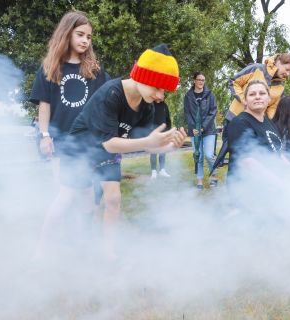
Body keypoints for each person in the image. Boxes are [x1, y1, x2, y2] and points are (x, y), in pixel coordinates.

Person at [36, 44, 186, 259]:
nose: (161, 96)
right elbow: (111, 143)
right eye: (159, 88)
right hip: (80, 149)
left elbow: (145, 142)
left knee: (113, 199)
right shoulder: (112, 92)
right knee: (68, 197)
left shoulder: (147, 105)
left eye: (164, 91)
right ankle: (41, 250)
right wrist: (147, 142)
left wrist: (170, 146)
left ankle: (108, 253)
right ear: (144, 77)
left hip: (106, 150)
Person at [29, 11, 110, 174]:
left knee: (88, 194)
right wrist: (44, 136)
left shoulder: (95, 71)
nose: (85, 40)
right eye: (80, 34)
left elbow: (111, 97)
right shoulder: (49, 68)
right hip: (60, 142)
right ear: (67, 33)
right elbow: (44, 106)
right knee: (62, 192)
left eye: (89, 37)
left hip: (88, 143)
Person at [226, 80, 283, 181]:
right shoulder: (239, 123)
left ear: (269, 98)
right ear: (245, 100)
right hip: (248, 190)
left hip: (272, 185)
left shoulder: (269, 122)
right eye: (252, 94)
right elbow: (247, 161)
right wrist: (282, 184)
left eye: (262, 93)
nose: (257, 96)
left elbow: (278, 152)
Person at [225, 53, 290, 123]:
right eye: (287, 69)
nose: (288, 74)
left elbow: (273, 107)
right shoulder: (256, 68)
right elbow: (233, 82)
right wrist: (245, 100)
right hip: (234, 118)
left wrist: (268, 123)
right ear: (279, 63)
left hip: (255, 124)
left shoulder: (281, 86)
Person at [184, 71, 218, 189]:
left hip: (208, 130)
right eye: (199, 80)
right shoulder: (188, 96)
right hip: (194, 131)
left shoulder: (209, 94)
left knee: (209, 155)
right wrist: (193, 127)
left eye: (203, 80)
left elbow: (213, 112)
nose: (201, 82)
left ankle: (213, 176)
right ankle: (199, 180)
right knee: (198, 155)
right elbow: (187, 113)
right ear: (194, 81)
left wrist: (203, 127)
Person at [150, 99, 172, 179]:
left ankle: (162, 170)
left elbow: (168, 119)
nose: (163, 95)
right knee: (153, 152)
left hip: (164, 133)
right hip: (153, 133)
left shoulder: (164, 105)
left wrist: (168, 130)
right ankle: (154, 171)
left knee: (162, 152)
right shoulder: (149, 105)